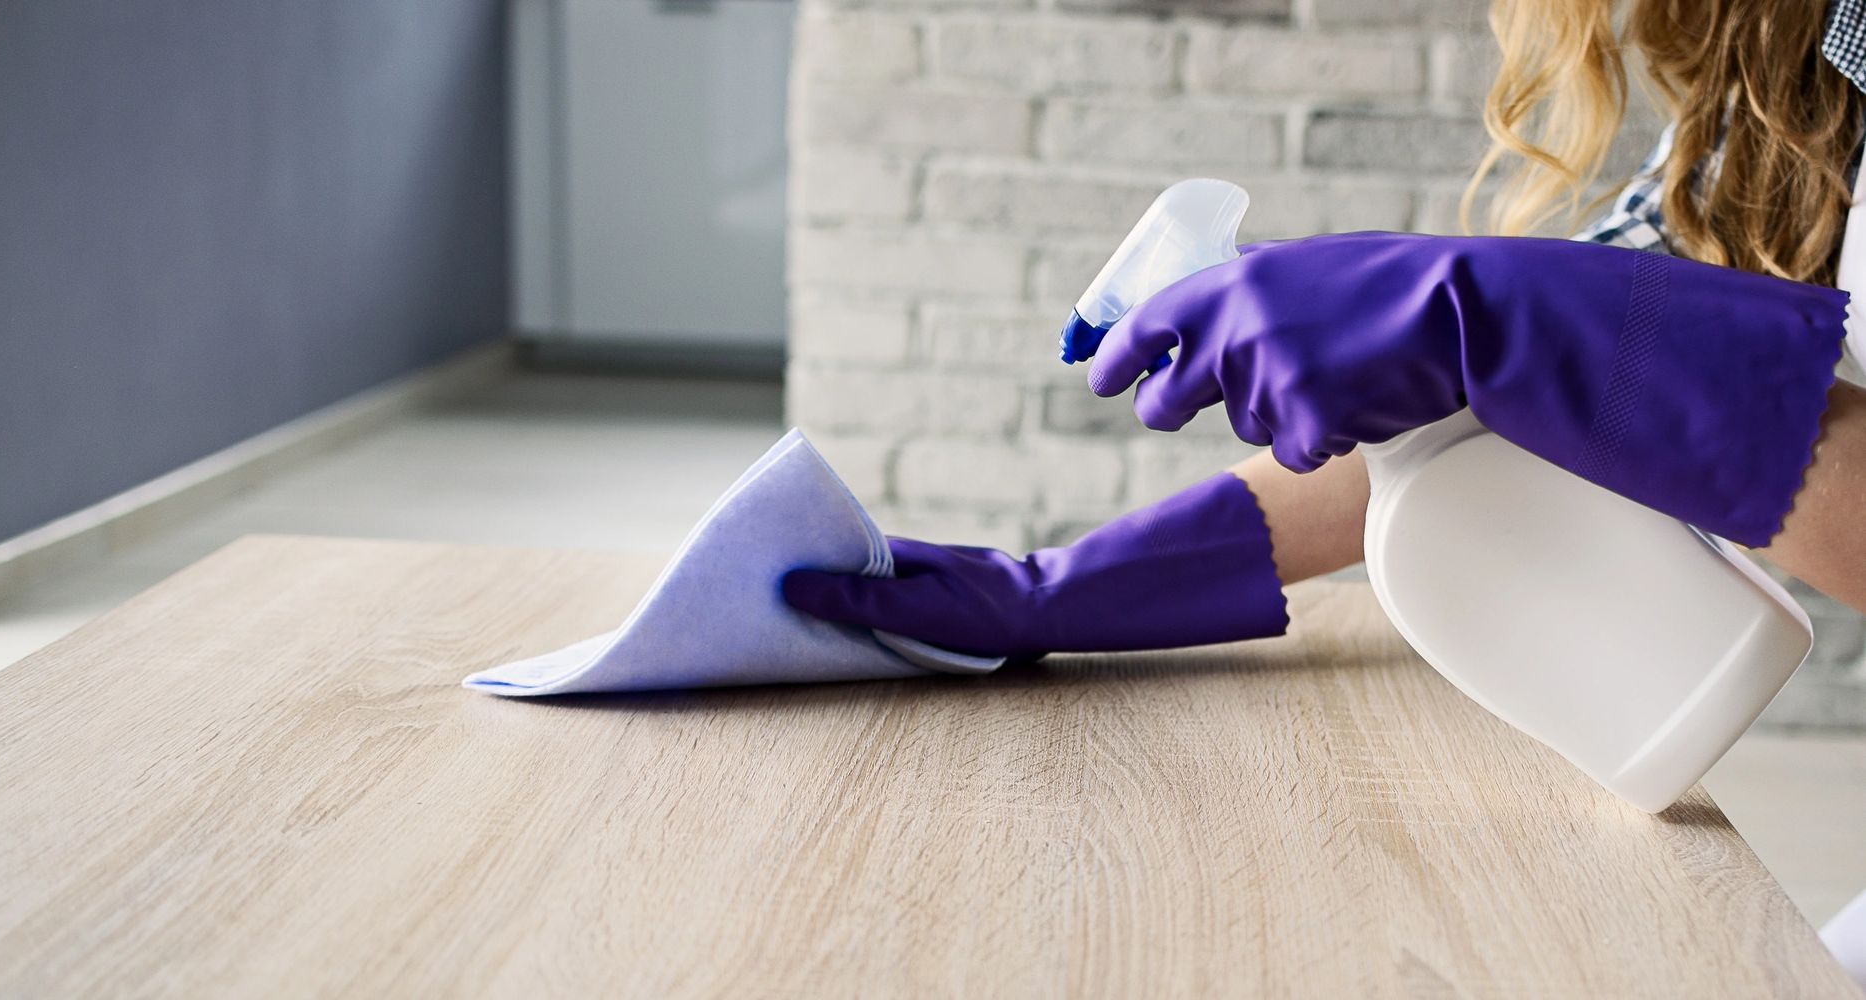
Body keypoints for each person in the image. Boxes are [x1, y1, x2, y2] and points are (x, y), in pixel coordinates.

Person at [782, 0, 1866, 978]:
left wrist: (1494, 320)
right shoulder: (1795, 65)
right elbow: (1538, 392)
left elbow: (1588, 364)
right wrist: (1067, 585)